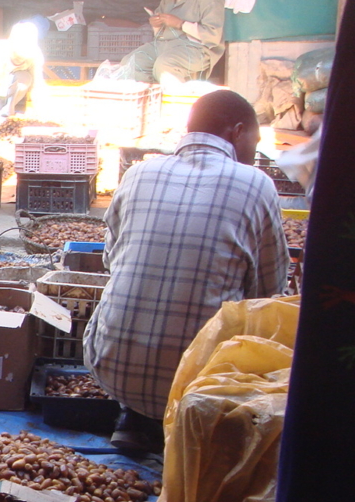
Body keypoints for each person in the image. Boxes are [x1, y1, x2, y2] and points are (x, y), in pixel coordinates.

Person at [83, 90, 290, 454]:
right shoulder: (257, 184)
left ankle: (133, 415)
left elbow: (111, 261)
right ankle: (187, 426)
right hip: (198, 385)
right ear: (236, 132)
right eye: (253, 144)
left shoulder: (138, 172)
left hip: (111, 366)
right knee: (262, 327)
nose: (253, 154)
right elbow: (268, 295)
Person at [116, 0, 224, 85]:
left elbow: (212, 36)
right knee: (129, 63)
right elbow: (160, 19)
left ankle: (175, 100)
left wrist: (180, 24)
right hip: (164, 44)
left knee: (165, 67)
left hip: (195, 48)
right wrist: (155, 23)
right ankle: (150, 97)